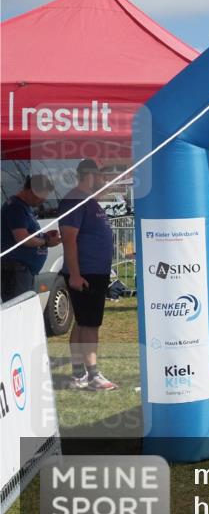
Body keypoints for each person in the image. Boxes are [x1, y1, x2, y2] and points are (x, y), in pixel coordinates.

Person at [58, 159, 117, 391]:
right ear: (89, 175)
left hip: (93, 272)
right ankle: (92, 375)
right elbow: (69, 239)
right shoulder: (74, 200)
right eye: (101, 176)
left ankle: (79, 375)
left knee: (83, 324)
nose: (104, 181)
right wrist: (74, 274)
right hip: (85, 273)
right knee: (90, 325)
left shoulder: (89, 200)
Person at [1, 174, 60, 302]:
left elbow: (28, 234)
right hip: (16, 271)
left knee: (24, 308)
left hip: (23, 271)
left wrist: (44, 236)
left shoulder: (24, 207)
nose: (43, 201)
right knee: (18, 309)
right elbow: (22, 238)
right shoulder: (15, 207)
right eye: (42, 197)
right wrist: (46, 241)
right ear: (32, 191)